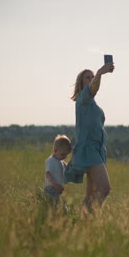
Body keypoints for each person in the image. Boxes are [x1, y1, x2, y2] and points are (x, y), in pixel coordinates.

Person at [65, 62, 115, 211]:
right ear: (81, 82)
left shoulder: (91, 101)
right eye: (88, 77)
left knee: (91, 192)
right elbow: (92, 89)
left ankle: (84, 222)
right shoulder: (83, 97)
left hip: (98, 150)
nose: (91, 79)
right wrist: (100, 72)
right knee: (104, 189)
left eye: (92, 77)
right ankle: (88, 215)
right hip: (89, 150)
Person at [44, 134, 72, 207]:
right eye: (62, 154)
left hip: (57, 189)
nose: (64, 157)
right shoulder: (51, 161)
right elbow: (48, 174)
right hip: (51, 189)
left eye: (66, 155)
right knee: (60, 207)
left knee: (59, 206)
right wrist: (56, 185)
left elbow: (68, 166)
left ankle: (58, 216)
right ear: (55, 150)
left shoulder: (60, 161)